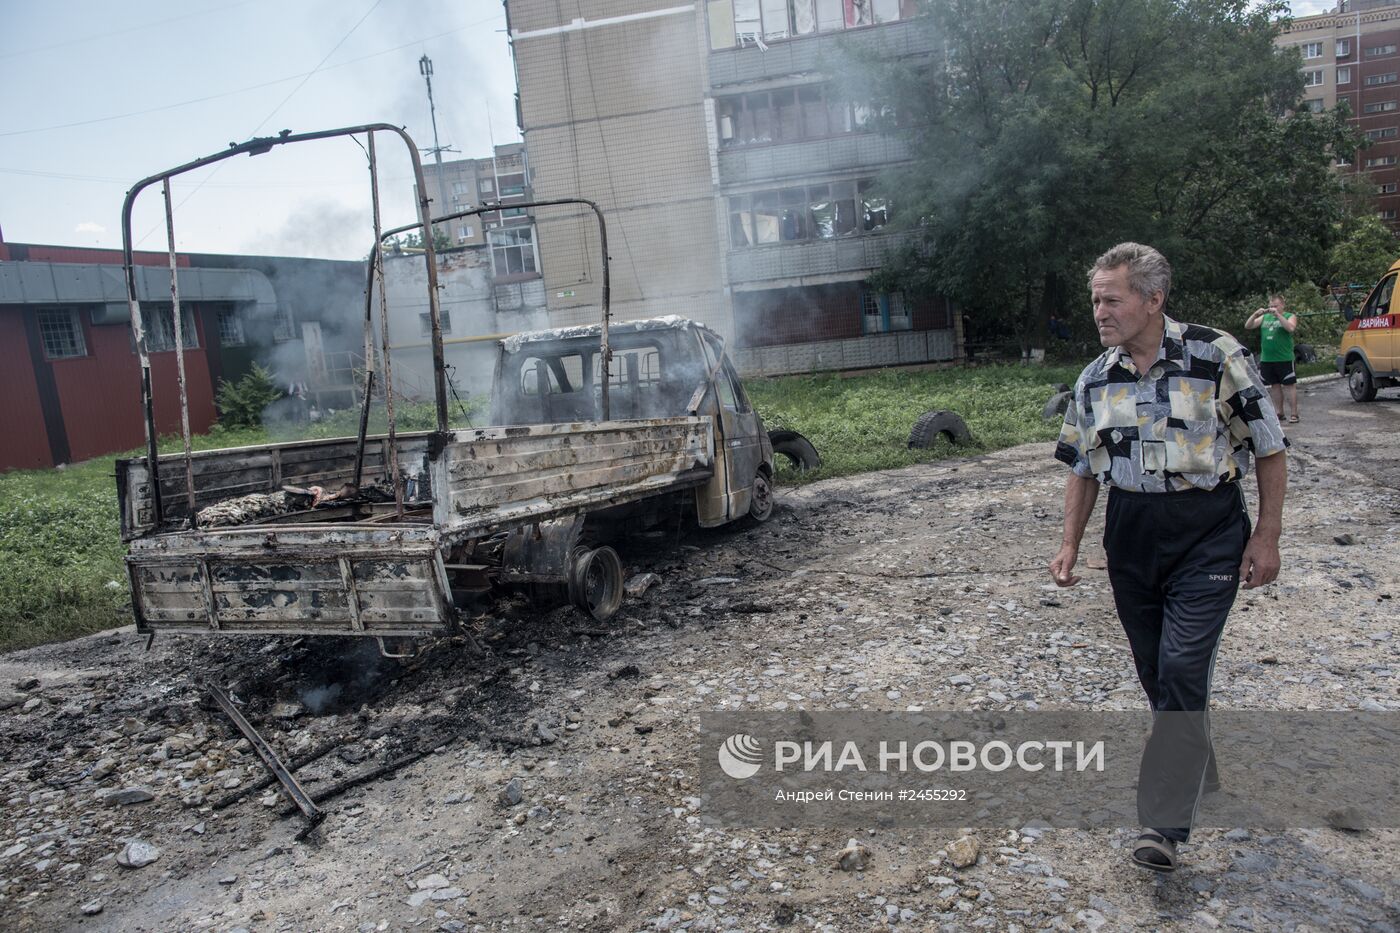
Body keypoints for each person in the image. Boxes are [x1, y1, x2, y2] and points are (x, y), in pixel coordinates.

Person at [1048, 242, 1289, 874]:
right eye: (1095, 299)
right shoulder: (1096, 376)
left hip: (1206, 529)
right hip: (1130, 534)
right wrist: (1070, 541)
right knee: (1157, 670)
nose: (1099, 311)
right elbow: (1080, 466)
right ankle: (1195, 759)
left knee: (1183, 663)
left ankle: (1162, 824)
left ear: (1154, 300)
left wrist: (1266, 535)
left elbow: (1268, 445)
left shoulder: (1215, 355)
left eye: (1112, 299)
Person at [1244, 295, 1300, 423]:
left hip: (1284, 358)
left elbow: (1290, 328)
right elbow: (1248, 326)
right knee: (1274, 385)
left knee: (1289, 385)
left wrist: (1278, 316)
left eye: (1275, 306)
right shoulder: (1265, 317)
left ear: (1282, 305)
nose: (1272, 308)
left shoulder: (1289, 316)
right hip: (1268, 358)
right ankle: (1279, 412)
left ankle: (1294, 413)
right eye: (1271, 306)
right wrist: (1255, 314)